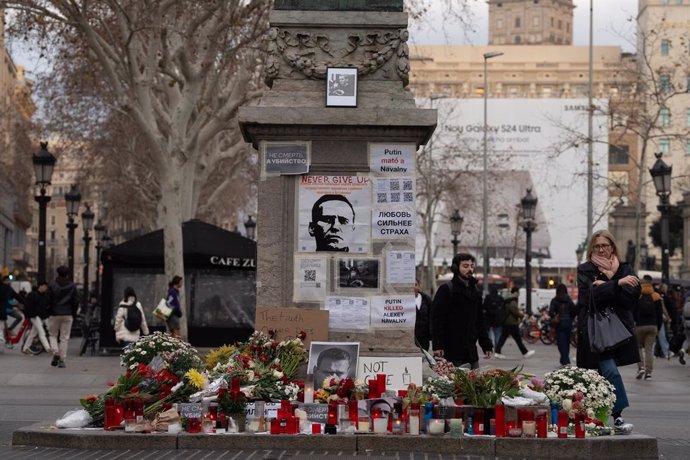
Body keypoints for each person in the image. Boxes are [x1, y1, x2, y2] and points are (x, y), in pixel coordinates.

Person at [576, 229, 639, 434]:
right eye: (597, 246)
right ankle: (617, 417)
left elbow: (631, 297)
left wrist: (609, 285)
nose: (602, 249)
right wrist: (617, 284)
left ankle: (599, 418)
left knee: (603, 375)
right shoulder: (585, 270)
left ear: (613, 246)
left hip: (617, 329)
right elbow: (588, 298)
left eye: (605, 245)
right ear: (591, 248)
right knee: (606, 371)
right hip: (595, 330)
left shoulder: (624, 267)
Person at [431, 253, 493, 368]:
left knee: (475, 384)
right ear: (455, 268)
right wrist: (437, 345)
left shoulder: (475, 290)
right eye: (465, 266)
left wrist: (486, 344)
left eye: (471, 266)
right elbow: (437, 319)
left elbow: (480, 319)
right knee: (452, 385)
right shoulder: (446, 290)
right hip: (451, 351)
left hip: (471, 350)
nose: (470, 269)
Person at [47, 265, 79, 368]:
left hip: (55, 313)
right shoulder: (72, 286)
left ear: (57, 273)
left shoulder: (52, 285)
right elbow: (75, 301)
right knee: (64, 338)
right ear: (67, 274)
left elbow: (48, 300)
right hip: (68, 313)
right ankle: (62, 360)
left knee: (52, 334)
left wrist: (48, 312)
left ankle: (55, 352)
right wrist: (73, 314)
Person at [634, 275, 663, 380]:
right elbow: (660, 314)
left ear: (643, 282)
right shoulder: (656, 296)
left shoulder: (638, 296)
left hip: (640, 326)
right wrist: (658, 328)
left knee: (638, 348)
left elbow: (633, 312)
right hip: (653, 326)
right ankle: (649, 373)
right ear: (651, 283)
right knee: (649, 350)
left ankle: (641, 367)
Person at [494, 287, 535, 359]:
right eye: (518, 292)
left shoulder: (508, 299)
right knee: (518, 339)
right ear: (515, 292)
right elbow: (514, 311)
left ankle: (497, 352)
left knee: (503, 337)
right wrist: (522, 315)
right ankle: (525, 352)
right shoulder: (512, 300)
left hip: (507, 322)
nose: (519, 294)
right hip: (511, 322)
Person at [21, 281, 52, 355]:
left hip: (40, 317)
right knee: (42, 332)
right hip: (34, 316)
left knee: (33, 334)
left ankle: (25, 349)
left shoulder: (44, 295)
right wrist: (31, 315)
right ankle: (48, 349)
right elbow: (28, 306)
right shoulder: (33, 295)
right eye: (45, 286)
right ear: (40, 286)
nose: (46, 288)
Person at [549, 283, 576, 366]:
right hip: (568, 323)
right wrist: (571, 318)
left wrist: (555, 316)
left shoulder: (554, 300)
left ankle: (565, 360)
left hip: (559, 323)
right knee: (567, 342)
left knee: (561, 342)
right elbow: (574, 311)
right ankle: (564, 359)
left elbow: (551, 312)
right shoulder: (569, 299)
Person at [1, 275, 24, 350]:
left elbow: (16, 296)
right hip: (2, 310)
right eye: (7, 280)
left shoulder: (9, 288)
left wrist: (24, 302)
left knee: (19, 317)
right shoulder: (1, 287)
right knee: (4, 325)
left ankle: (10, 329)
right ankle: (8, 342)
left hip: (9, 309)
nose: (8, 282)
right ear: (3, 281)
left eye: (9, 280)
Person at [414, 279, 432, 351]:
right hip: (412, 336)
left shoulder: (426, 299)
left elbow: (431, 316)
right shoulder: (405, 301)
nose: (413, 287)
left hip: (424, 336)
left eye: (415, 285)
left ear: (419, 286)